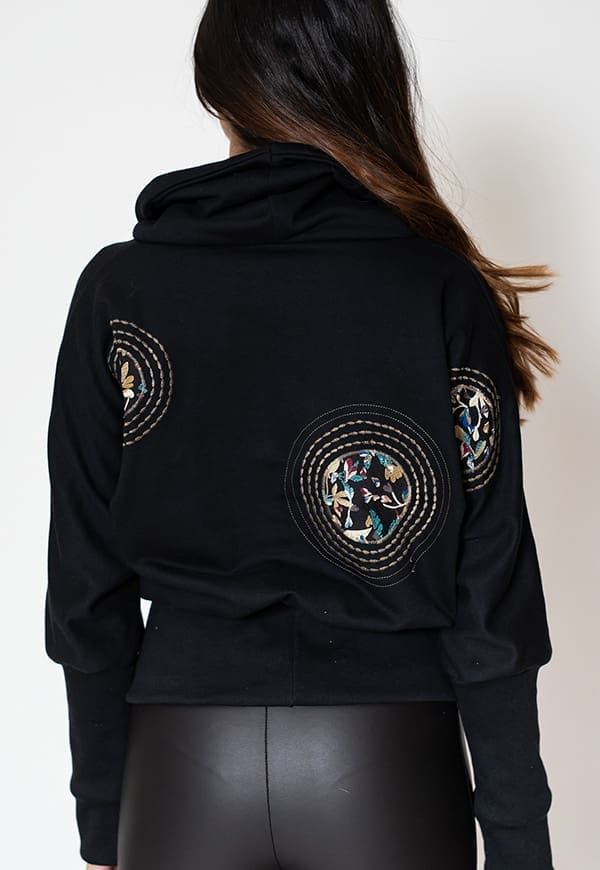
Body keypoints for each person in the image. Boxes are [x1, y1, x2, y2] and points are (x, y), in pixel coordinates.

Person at [44, 2, 559, 869]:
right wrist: (518, 842)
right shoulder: (437, 289)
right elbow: (492, 591)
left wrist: (103, 815)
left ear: (219, 93)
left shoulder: (120, 290)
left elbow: (84, 585)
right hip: (387, 767)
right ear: (369, 83)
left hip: (181, 769)